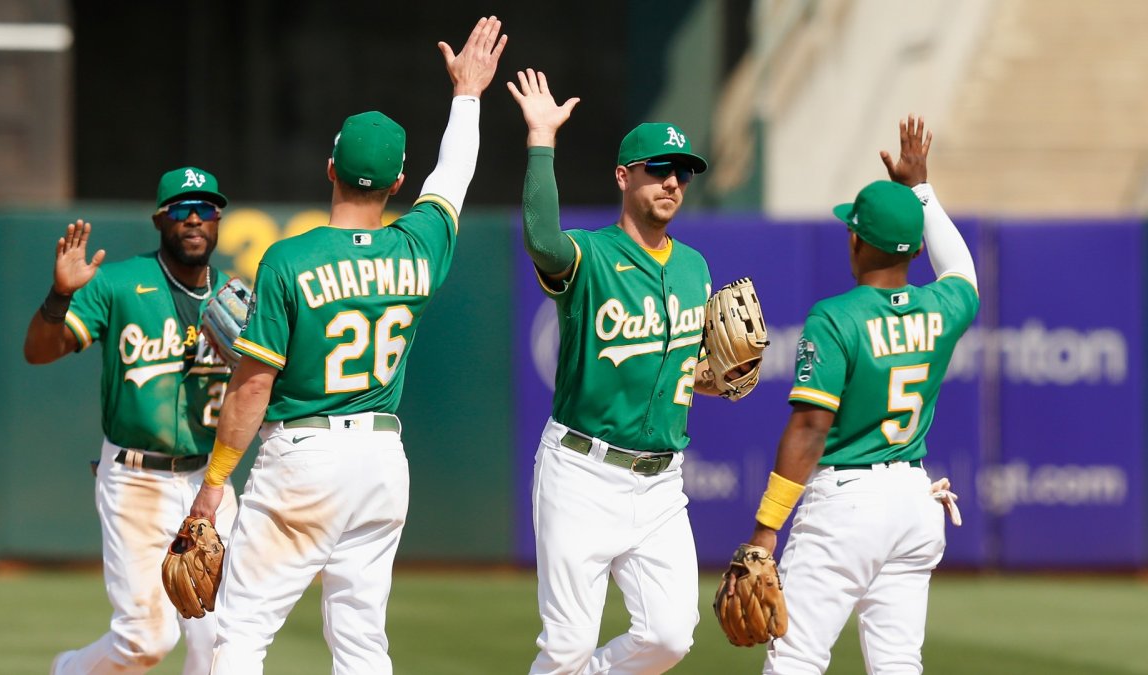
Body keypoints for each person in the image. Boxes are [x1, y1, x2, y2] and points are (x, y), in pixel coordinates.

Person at [184, 16, 507, 675]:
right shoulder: (421, 244)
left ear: (330, 167)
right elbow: (454, 174)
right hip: (383, 460)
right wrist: (468, 94)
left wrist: (215, 482)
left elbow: (251, 387)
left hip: (305, 455)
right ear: (395, 184)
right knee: (361, 644)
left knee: (239, 636)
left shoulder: (288, 260)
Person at [508, 69, 726, 674]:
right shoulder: (591, 255)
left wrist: (718, 376)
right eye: (658, 167)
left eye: (682, 170)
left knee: (669, 637)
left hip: (661, 483)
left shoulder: (695, 267)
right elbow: (542, 240)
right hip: (582, 470)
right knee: (568, 645)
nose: (673, 181)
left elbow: (689, 368)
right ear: (623, 176)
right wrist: (542, 139)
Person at [746, 116, 978, 674]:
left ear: (856, 239)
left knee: (795, 659)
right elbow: (962, 268)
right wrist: (921, 189)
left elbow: (809, 429)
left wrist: (765, 530)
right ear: (915, 249)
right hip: (916, 504)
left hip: (848, 504)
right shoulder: (942, 308)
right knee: (898, 663)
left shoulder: (835, 317)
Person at [24, 166, 241, 675]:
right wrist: (59, 297)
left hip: (207, 482)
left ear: (217, 220)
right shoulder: (119, 284)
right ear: (159, 220)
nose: (194, 219)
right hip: (136, 477)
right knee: (147, 639)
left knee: (222, 641)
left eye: (205, 208)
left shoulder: (235, 296)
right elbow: (38, 351)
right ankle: (70, 671)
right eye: (181, 210)